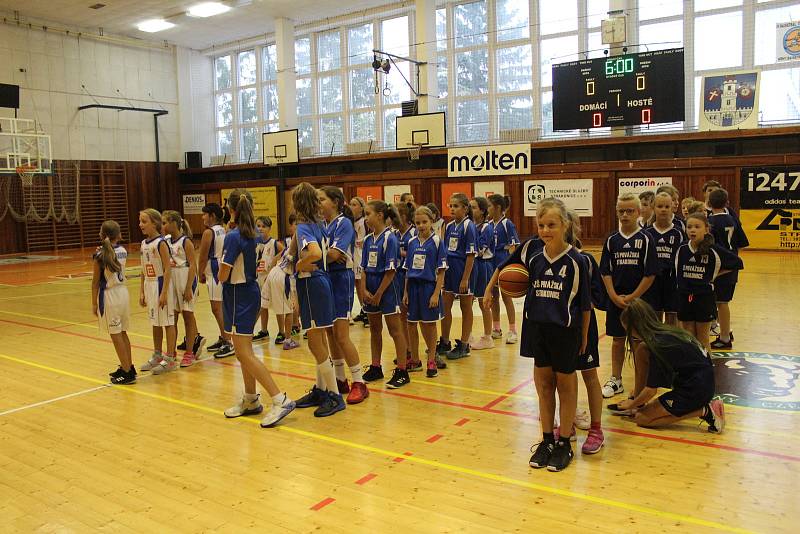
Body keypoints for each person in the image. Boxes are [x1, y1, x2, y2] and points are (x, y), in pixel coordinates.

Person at [521, 198, 591, 472]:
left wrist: (585, 336)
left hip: (566, 332)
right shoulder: (535, 258)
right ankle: (547, 439)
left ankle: (565, 442)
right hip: (540, 330)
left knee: (566, 386)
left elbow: (585, 304)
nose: (546, 230)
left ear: (565, 225)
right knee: (544, 388)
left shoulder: (577, 260)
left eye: (551, 224)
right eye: (541, 225)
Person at [220, 189, 296, 427]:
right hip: (246, 292)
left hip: (238, 294)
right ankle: (251, 399)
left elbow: (223, 274)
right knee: (244, 349)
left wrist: (213, 268)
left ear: (230, 210)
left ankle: (279, 398)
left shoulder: (233, 237)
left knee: (243, 353)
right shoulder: (253, 234)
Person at [610, 298, 725, 434]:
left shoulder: (659, 346)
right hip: (697, 380)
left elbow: (651, 391)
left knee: (642, 419)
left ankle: (706, 411)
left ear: (635, 327)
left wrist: (631, 405)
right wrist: (637, 400)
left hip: (697, 389)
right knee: (641, 350)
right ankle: (637, 401)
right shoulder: (661, 332)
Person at [286, 183, 346, 417]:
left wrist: (297, 266)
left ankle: (334, 395)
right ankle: (322, 389)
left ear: (296, 203)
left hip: (311, 283)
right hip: (321, 282)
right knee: (319, 339)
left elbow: (316, 254)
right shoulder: (318, 224)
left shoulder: (303, 227)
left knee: (314, 342)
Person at [600, 193, 657, 398]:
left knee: (637, 342)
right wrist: (614, 296)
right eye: (621, 211)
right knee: (617, 340)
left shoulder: (646, 238)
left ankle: (640, 382)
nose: (625, 215)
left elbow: (650, 274)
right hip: (616, 300)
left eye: (629, 211)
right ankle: (616, 380)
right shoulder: (611, 240)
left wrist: (633, 296)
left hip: (639, 301)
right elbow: (605, 272)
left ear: (639, 212)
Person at [318, 186, 369, 404]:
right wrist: (324, 255)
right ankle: (340, 379)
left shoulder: (344, 223)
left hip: (341, 279)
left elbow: (336, 255)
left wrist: (319, 255)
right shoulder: (322, 225)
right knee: (330, 334)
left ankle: (359, 382)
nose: (318, 203)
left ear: (336, 202)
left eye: (322, 199)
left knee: (341, 334)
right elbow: (326, 255)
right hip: (326, 277)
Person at [563, 210, 605, 454]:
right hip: (559, 329)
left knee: (589, 376)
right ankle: (567, 423)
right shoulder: (544, 258)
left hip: (583, 327)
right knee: (565, 378)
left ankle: (597, 429)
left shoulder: (585, 260)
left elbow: (596, 299)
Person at [674, 212, 744, 350]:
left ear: (706, 229)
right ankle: (692, 367)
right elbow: (678, 272)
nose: (692, 230)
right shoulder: (682, 249)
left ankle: (706, 368)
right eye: (689, 227)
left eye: (697, 227)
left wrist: (713, 274)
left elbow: (737, 263)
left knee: (702, 337)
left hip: (704, 297)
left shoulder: (713, 250)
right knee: (689, 337)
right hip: (684, 296)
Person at [360, 200, 410, 388]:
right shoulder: (367, 239)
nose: (366, 218)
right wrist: (364, 290)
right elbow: (363, 268)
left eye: (368, 214)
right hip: (370, 287)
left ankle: (403, 371)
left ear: (380, 215)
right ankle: (375, 366)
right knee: (374, 329)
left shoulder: (390, 238)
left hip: (388, 288)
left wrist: (379, 292)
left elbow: (391, 270)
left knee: (395, 330)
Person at [403, 206, 448, 378]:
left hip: (429, 287)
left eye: (424, 222)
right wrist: (405, 293)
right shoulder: (411, 242)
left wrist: (436, 293)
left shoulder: (437, 241)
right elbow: (407, 269)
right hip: (413, 287)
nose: (421, 225)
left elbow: (442, 270)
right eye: (417, 223)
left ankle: (431, 360)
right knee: (411, 324)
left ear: (431, 222)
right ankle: (415, 359)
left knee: (430, 325)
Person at [92, 220, 135, 385]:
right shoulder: (122, 250)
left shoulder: (100, 254)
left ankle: (127, 372)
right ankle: (128, 366)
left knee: (116, 334)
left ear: (102, 234)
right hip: (123, 293)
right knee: (123, 332)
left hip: (110, 296)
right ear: (118, 235)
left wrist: (94, 303)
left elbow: (95, 282)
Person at [138, 209, 179, 375]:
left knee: (168, 321)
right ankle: (157, 354)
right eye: (140, 221)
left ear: (154, 223)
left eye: (144, 221)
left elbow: (168, 269)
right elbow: (142, 269)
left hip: (161, 284)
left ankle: (170, 359)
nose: (140, 224)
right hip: (149, 284)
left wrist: (163, 292)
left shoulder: (161, 243)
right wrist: (141, 291)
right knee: (155, 322)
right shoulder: (143, 243)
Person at [707, 188, 749, 350]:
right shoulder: (732, 219)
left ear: (709, 204)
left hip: (721, 267)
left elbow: (711, 248)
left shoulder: (711, 222)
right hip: (732, 266)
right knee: (723, 302)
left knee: (721, 303)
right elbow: (742, 243)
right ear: (727, 203)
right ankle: (725, 331)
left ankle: (724, 337)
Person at [438, 193, 477, 360]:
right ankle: (445, 341)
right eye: (450, 206)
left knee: (465, 307)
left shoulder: (469, 226)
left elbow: (470, 255)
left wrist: (465, 278)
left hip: (464, 271)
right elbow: (446, 251)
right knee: (445, 305)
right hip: (450, 271)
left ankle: (464, 344)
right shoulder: (449, 225)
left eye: (456, 206)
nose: (452, 209)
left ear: (465, 208)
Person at [163, 210, 204, 367]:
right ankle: (171, 352)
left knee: (188, 316)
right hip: (172, 278)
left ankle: (189, 352)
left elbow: (193, 265)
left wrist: (188, 288)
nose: (163, 226)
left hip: (185, 277)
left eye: (165, 222)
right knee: (172, 317)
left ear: (174, 223)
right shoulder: (166, 240)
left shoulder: (185, 241)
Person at [197, 203, 234, 358]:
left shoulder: (208, 232)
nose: (202, 217)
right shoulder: (223, 229)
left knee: (217, 308)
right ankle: (223, 336)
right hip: (221, 268)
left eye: (204, 214)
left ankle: (228, 341)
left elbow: (203, 255)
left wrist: (200, 273)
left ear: (212, 215)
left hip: (214, 271)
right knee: (221, 307)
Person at [643, 192, 685, 326]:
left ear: (673, 207)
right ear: (653, 208)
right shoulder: (647, 233)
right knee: (654, 316)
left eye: (667, 206)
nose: (663, 209)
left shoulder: (678, 232)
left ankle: (671, 345)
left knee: (672, 316)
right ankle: (656, 345)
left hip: (672, 280)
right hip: (652, 280)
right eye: (660, 206)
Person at [487, 194, 520, 343]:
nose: (487, 209)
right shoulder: (489, 224)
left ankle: (512, 330)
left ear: (498, 207)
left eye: (489, 206)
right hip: (491, 263)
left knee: (507, 297)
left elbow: (514, 246)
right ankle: (496, 328)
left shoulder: (507, 223)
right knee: (494, 297)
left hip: (503, 262)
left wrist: (511, 265)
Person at [394, 201, 422, 370]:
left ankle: (415, 350)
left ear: (403, 217)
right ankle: (407, 349)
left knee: (413, 318)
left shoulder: (413, 233)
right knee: (401, 317)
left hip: (411, 277)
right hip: (397, 277)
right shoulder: (395, 233)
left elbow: (415, 253)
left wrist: (401, 252)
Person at [264, 213, 298, 350]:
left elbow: (274, 259)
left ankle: (247, 336)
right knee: (289, 309)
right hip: (283, 275)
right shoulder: (301, 241)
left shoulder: (290, 242)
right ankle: (288, 340)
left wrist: (270, 272)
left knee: (267, 305)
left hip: (274, 272)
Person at [469, 196, 495, 350]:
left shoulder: (486, 228)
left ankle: (488, 336)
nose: (470, 210)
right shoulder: (471, 225)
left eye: (473, 207)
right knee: (469, 300)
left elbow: (480, 251)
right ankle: (469, 334)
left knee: (483, 302)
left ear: (483, 211)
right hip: (473, 265)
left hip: (483, 265)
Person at [253, 216, 283, 341]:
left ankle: (282, 331)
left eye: (263, 226)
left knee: (277, 305)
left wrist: (274, 263)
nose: (260, 229)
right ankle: (264, 330)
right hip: (258, 278)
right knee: (262, 305)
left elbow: (285, 251)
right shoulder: (254, 242)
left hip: (269, 278)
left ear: (270, 228)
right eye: (258, 226)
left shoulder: (274, 243)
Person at [349, 196, 369, 327]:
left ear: (362, 208)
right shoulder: (350, 221)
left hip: (361, 254)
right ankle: (363, 309)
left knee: (362, 282)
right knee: (357, 283)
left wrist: (364, 241)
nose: (351, 206)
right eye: (350, 204)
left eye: (354, 204)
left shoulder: (365, 221)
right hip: (354, 254)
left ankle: (367, 311)